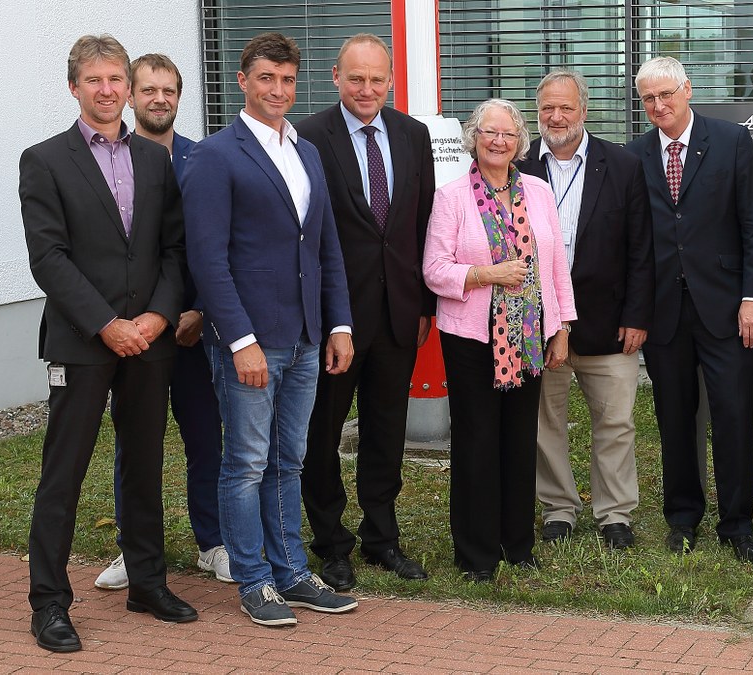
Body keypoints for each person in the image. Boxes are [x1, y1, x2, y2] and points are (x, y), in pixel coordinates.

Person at [19, 34, 197, 653]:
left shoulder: (154, 160)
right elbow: (48, 257)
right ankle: (49, 603)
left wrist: (155, 317)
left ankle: (148, 582)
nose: (107, 90)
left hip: (149, 341)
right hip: (82, 341)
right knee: (62, 473)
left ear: (127, 84)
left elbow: (174, 249)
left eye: (116, 79)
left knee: (145, 466)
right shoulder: (43, 159)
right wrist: (106, 324)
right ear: (74, 86)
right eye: (93, 80)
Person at [182, 32, 358, 626]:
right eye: (266, 79)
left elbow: (325, 244)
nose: (278, 90)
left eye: (286, 79)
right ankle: (254, 581)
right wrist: (239, 340)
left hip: (308, 335)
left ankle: (292, 572)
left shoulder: (306, 151)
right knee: (247, 463)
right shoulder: (216, 155)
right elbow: (207, 261)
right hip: (251, 343)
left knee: (291, 459)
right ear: (242, 81)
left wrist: (338, 323)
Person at [296, 33, 435, 590]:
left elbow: (422, 224)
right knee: (321, 433)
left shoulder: (412, 134)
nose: (367, 89)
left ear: (392, 80)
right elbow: (306, 237)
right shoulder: (307, 136)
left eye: (378, 79)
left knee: (386, 431)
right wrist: (330, 318)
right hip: (337, 319)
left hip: (400, 315)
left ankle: (383, 537)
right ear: (335, 77)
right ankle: (330, 543)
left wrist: (424, 304)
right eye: (357, 78)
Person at [94, 53, 232, 592]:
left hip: (195, 329)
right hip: (134, 334)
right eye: (148, 89)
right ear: (130, 95)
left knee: (206, 439)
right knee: (136, 442)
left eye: (168, 90)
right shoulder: (109, 161)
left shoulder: (206, 159)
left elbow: (218, 244)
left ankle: (213, 542)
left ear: (180, 96)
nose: (158, 99)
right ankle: (135, 547)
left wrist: (200, 309)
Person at [423, 98, 576, 581]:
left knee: (518, 441)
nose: (498, 141)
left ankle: (518, 543)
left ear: (519, 142)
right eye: (489, 132)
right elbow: (434, 269)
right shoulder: (451, 196)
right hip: (470, 338)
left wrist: (563, 327)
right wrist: (486, 274)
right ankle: (476, 552)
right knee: (477, 442)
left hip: (529, 335)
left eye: (508, 135)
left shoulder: (537, 190)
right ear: (473, 137)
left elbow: (555, 268)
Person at [626, 56, 753, 565]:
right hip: (665, 312)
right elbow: (634, 242)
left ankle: (737, 525)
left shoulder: (730, 141)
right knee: (674, 419)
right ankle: (683, 518)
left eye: (667, 94)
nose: (659, 106)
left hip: (728, 309)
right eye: (648, 99)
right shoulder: (635, 154)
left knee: (732, 416)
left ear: (688, 90)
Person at [518, 69, 654, 549]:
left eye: (565, 108)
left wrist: (637, 316)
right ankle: (558, 508)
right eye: (547, 109)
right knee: (544, 423)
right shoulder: (516, 165)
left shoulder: (621, 165)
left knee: (616, 422)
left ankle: (615, 513)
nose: (556, 117)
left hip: (608, 322)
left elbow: (642, 248)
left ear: (584, 111)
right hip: (535, 324)